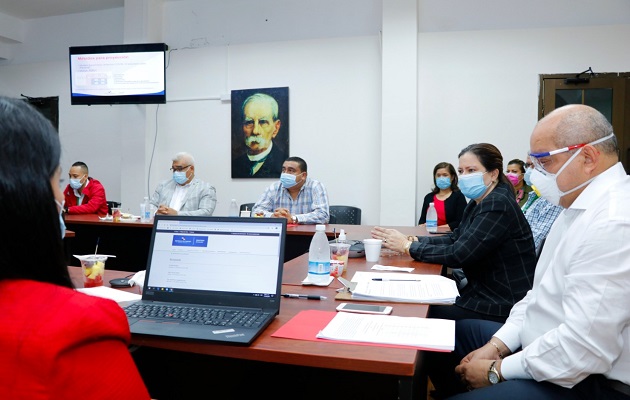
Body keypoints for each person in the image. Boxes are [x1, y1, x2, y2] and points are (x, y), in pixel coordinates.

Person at [434, 104, 630, 400]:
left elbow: (582, 349)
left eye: (542, 163)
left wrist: (495, 370)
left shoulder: (613, 222)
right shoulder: (574, 206)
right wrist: (496, 346)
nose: (534, 175)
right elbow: (537, 297)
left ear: (587, 157)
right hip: (543, 343)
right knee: (440, 337)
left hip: (586, 380)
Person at [0, 96, 150, 399]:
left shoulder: (95, 186)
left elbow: (95, 205)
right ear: (26, 194)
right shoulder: (71, 328)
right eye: (58, 178)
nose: (66, 186)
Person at [372, 143, 536, 323]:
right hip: (482, 291)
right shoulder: (479, 201)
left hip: (500, 303)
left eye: (471, 170)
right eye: (461, 171)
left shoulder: (497, 204)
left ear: (494, 174)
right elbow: (456, 237)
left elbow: (459, 254)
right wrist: (413, 239)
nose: (464, 176)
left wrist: (408, 247)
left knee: (419, 312)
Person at [252, 156, 329, 224]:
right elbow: (256, 211)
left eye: (291, 170)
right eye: (283, 170)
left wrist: (293, 219)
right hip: (280, 234)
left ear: (303, 175)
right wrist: (273, 216)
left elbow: (323, 215)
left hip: (307, 236)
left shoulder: (315, 186)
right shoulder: (274, 187)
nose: (285, 173)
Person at [231, 93, 289, 178]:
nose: (255, 131)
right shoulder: (234, 165)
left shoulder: (284, 163)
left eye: (263, 122)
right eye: (249, 122)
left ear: (276, 128)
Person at [150, 152, 217, 216]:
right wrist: (157, 212)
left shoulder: (206, 189)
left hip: (189, 226)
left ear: (191, 169)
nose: (176, 172)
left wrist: (177, 214)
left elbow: (206, 212)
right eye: (174, 169)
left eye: (179, 169)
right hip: (162, 225)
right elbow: (151, 205)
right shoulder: (163, 185)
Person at [520, 155, 562, 253]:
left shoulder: (553, 199)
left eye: (534, 165)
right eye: (528, 165)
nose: (530, 170)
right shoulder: (535, 194)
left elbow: (535, 240)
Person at [418, 162, 467, 230]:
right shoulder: (428, 197)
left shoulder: (458, 196)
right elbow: (422, 221)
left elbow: (461, 221)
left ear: (452, 177)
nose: (441, 178)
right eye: (438, 175)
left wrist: (438, 229)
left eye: (445, 175)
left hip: (451, 236)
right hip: (429, 235)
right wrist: (423, 226)